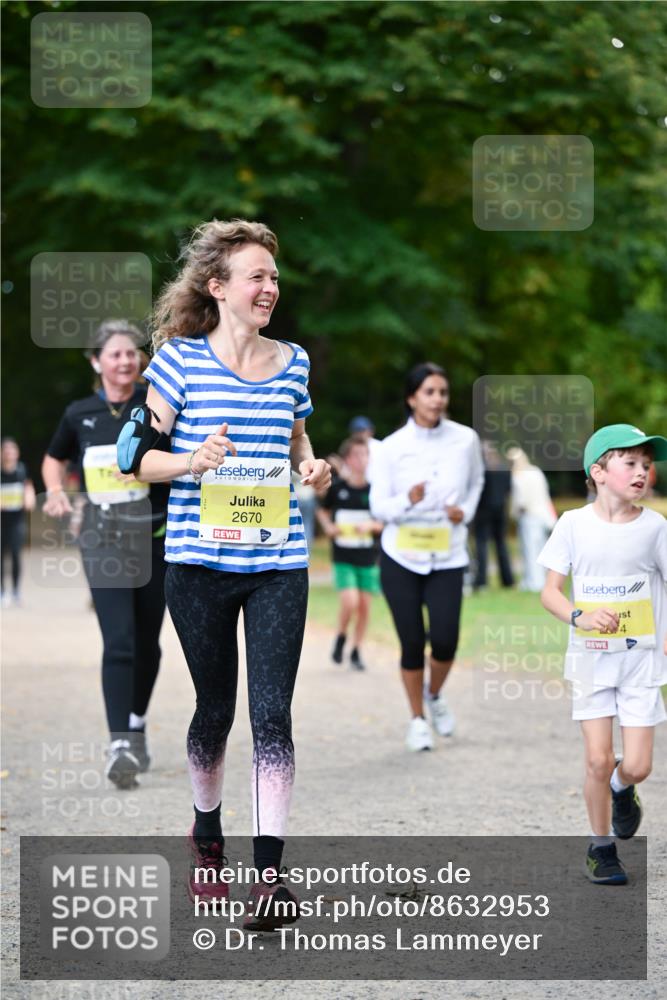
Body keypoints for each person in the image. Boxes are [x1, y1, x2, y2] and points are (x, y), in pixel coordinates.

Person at [131, 219, 330, 928]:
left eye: (274, 277)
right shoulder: (178, 363)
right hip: (198, 565)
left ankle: (270, 880)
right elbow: (138, 461)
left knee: (272, 716)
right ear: (219, 288)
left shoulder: (295, 362)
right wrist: (190, 460)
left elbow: (297, 439)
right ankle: (207, 836)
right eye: (257, 275)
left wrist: (310, 464)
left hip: (277, 564)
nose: (270, 287)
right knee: (215, 711)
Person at [42, 320, 169, 789]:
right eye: (115, 354)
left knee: (148, 644)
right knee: (119, 640)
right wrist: (55, 489)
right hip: (102, 539)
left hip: (155, 538)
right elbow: (54, 457)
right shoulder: (80, 413)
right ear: (96, 362)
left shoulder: (157, 408)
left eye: (133, 353)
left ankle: (136, 721)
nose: (126, 360)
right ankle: (119, 742)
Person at [539, 424, 667, 885]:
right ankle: (601, 848)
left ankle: (621, 787)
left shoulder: (655, 528)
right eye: (629, 463)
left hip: (641, 660)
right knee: (596, 757)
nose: (642, 472)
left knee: (638, 765)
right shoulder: (572, 524)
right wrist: (581, 616)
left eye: (646, 465)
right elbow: (550, 593)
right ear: (598, 471)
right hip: (592, 657)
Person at [370, 363, 484, 751]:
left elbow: (476, 483)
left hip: (448, 553)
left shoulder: (466, 440)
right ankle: (417, 719)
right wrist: (408, 499)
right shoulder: (390, 447)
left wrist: (463, 512)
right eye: (430, 392)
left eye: (443, 393)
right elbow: (378, 506)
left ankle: (434, 694)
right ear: (412, 398)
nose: (437, 399)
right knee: (412, 641)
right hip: (401, 555)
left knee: (447, 640)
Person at [317, 435, 383, 671]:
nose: (361, 459)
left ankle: (356, 650)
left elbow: (384, 522)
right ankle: (341, 636)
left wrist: (371, 526)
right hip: (343, 556)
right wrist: (328, 528)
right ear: (347, 459)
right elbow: (322, 512)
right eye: (356, 455)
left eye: (365, 454)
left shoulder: (376, 491)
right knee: (350, 601)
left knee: (364, 606)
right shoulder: (338, 489)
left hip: (367, 557)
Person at [507, 446, 556, 591]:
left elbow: (520, 500)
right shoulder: (536, 471)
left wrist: (514, 513)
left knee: (530, 551)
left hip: (529, 516)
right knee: (540, 549)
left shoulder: (519, 476)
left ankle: (534, 582)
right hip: (543, 515)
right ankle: (538, 580)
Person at [473, 440, 514, 590]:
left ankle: (481, 581)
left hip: (484, 511)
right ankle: (507, 580)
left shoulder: (482, 469)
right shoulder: (504, 468)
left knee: (481, 545)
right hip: (500, 510)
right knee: (501, 545)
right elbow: (509, 490)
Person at [1, 438, 36, 607]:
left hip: (16, 520)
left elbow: (28, 488)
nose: (9, 453)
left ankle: (15, 590)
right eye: (5, 450)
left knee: (15, 555)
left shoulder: (21, 470)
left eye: (12, 450)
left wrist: (29, 498)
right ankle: (2, 592)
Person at [348, 415, 381, 482]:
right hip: (356, 484)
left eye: (362, 430)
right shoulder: (349, 446)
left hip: (376, 483)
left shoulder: (379, 446)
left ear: (370, 431)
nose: (359, 433)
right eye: (357, 430)